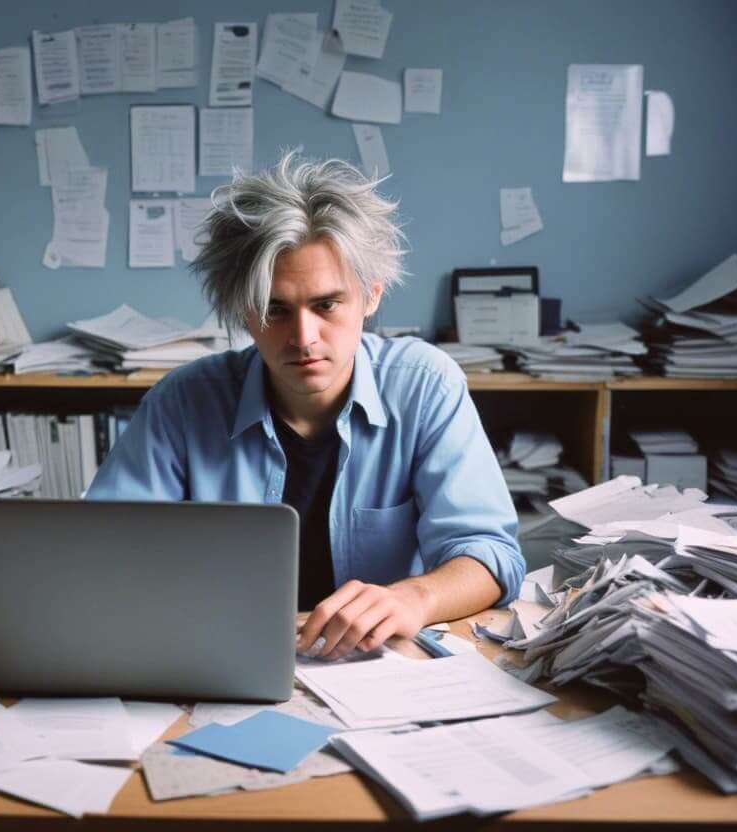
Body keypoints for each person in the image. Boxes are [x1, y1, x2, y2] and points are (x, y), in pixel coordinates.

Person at [86, 153, 524, 661]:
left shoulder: (425, 385)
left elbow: (492, 556)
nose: (303, 337)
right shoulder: (183, 401)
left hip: (378, 673)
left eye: (326, 305)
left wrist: (412, 598)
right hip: (219, 658)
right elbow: (108, 557)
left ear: (371, 295)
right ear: (242, 312)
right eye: (275, 309)